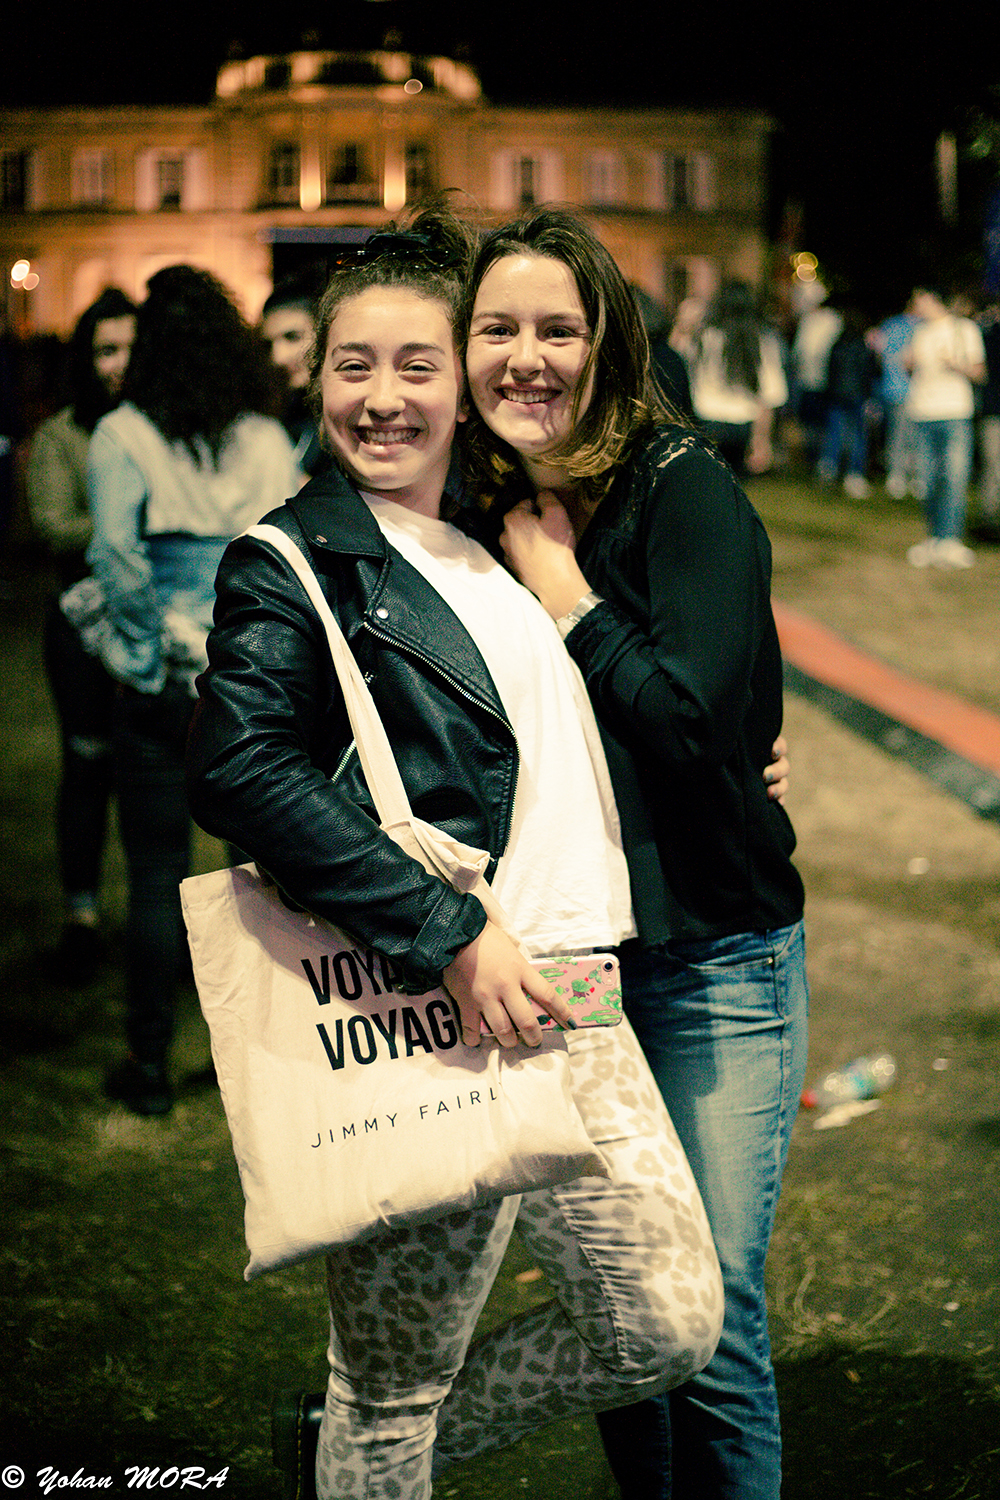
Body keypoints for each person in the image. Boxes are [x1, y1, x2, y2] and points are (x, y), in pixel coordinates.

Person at [185, 210, 724, 1500]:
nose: (382, 397)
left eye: (417, 364)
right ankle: (368, 1451)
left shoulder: (492, 538)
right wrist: (451, 932)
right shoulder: (297, 559)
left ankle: (347, 1451)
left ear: (463, 383)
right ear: (314, 377)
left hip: (575, 989)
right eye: (352, 365)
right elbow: (239, 764)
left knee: (665, 1322)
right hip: (436, 1004)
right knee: (395, 1386)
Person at [462, 206, 809, 1500]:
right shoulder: (480, 506)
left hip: (712, 956)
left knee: (709, 1320)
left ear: (609, 343)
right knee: (628, 1313)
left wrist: (569, 600)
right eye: (498, 328)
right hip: (571, 966)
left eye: (558, 328)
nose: (526, 357)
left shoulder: (681, 489)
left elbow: (690, 717)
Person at [85, 265, 300, 1117]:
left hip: (163, 682)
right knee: (253, 876)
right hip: (248, 680)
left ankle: (147, 1061)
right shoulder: (267, 438)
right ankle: (255, 1060)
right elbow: (285, 563)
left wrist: (146, 655)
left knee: (155, 874)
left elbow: (117, 557)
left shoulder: (122, 433)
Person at [27, 288, 136, 982]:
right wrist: (129, 525)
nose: (119, 363)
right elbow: (53, 525)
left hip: (151, 627)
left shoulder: (161, 427)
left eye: (130, 348)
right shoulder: (63, 435)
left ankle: (158, 918)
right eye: (106, 350)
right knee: (88, 769)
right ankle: (82, 915)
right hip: (82, 628)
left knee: (156, 779)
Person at [903, 285, 986, 569]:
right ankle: (934, 538)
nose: (916, 305)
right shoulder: (919, 332)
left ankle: (950, 541)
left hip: (954, 412)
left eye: (919, 299)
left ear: (933, 299)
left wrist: (956, 364)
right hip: (921, 412)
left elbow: (979, 372)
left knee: (954, 478)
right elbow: (913, 371)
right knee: (927, 480)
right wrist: (908, 365)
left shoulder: (964, 329)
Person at [685, 279, 788, 475]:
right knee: (737, 486)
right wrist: (761, 441)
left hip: (707, 422)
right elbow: (769, 397)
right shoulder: (762, 341)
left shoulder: (705, 338)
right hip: (744, 425)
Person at [261, 266, 330, 478]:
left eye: (292, 337)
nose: (277, 357)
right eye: (268, 345)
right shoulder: (285, 417)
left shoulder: (356, 415)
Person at [816, 306, 879, 498]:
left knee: (834, 432)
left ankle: (829, 467)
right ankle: (854, 474)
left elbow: (830, 370)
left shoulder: (837, 344)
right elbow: (868, 372)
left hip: (837, 395)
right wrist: (868, 395)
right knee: (858, 436)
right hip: (856, 396)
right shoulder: (862, 346)